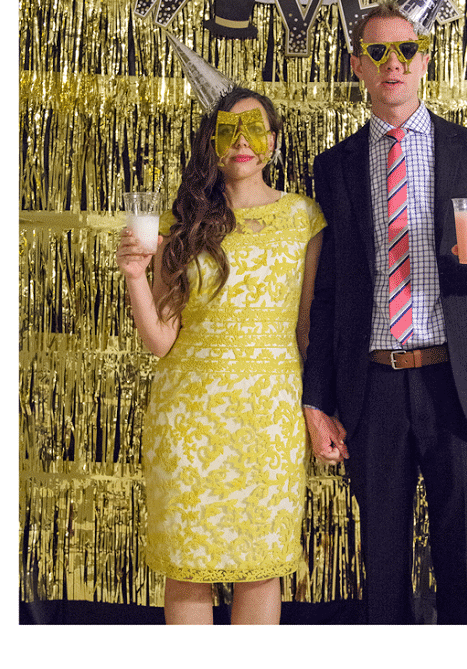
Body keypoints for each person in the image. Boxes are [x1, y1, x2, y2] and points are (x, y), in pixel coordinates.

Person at [301, 3, 467, 623]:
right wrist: (316, 400)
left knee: (463, 574)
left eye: (405, 50)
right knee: (384, 575)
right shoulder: (335, 165)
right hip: (373, 388)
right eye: (376, 53)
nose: (391, 63)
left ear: (425, 60)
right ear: (358, 67)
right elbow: (331, 294)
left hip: (457, 383)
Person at [117, 88, 324, 624]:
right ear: (211, 142)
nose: (241, 143)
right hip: (189, 416)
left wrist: (315, 408)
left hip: (269, 414)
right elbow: (161, 340)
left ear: (274, 141)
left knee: (261, 565)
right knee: (188, 565)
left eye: (254, 129)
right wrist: (136, 277)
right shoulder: (180, 222)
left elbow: (307, 329)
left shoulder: (305, 217)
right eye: (228, 130)